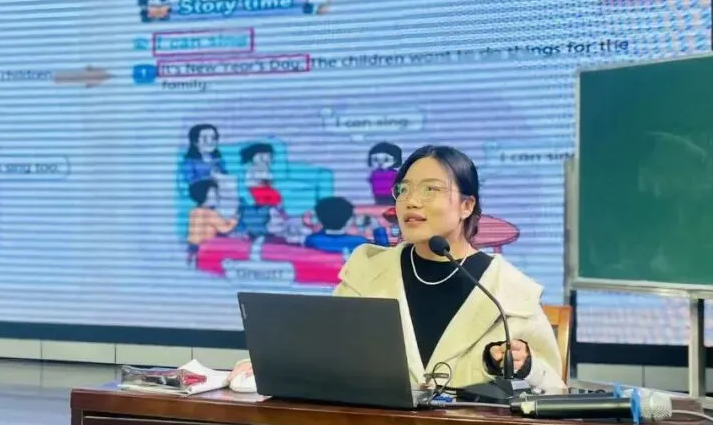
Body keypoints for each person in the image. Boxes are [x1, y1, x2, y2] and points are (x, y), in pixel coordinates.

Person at [231, 144, 564, 393]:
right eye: (403, 189)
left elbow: (555, 390)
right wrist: (269, 364)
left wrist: (525, 366)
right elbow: (325, 350)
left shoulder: (508, 290)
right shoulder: (367, 271)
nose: (411, 201)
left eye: (430, 189)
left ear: (467, 205)